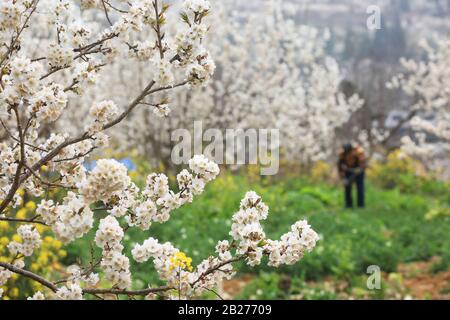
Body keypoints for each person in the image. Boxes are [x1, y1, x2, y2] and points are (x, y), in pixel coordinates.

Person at [337, 143, 366, 208]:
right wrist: (343, 177)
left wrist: (360, 169)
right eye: (346, 153)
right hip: (348, 170)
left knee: (360, 187)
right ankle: (348, 205)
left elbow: (363, 163)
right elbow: (340, 166)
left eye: (349, 152)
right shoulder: (342, 154)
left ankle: (361, 205)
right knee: (347, 186)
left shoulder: (358, 152)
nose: (348, 154)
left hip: (359, 170)